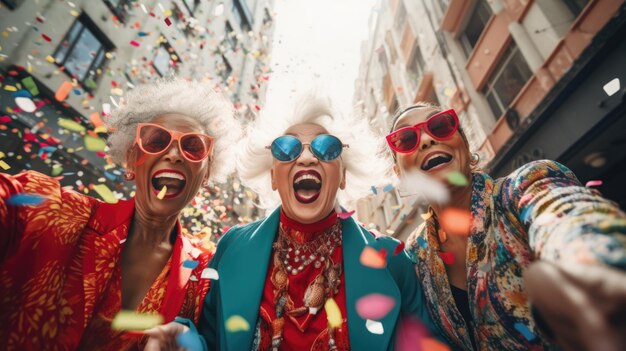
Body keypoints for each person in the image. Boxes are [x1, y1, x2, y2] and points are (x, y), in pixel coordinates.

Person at [145, 95, 444, 350]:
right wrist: (183, 338)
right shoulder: (232, 247)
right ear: (273, 176)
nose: (306, 159)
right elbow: (210, 338)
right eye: (287, 149)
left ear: (342, 176)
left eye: (326, 148)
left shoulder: (393, 261)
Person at [0, 78, 241, 350]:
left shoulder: (205, 274)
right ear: (130, 159)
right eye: (156, 140)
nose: (174, 154)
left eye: (193, 146)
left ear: (207, 172)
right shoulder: (51, 211)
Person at [385, 103, 626, 350]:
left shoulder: (523, 187)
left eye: (439, 125)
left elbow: (564, 213)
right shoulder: (413, 254)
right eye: (405, 139)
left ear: (465, 146)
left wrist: (593, 264)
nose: (426, 139)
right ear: (400, 173)